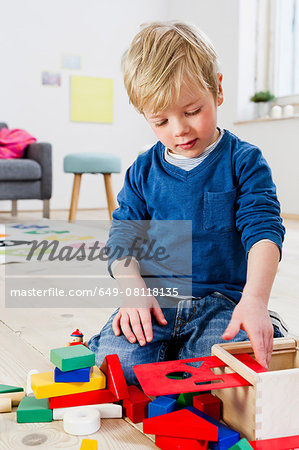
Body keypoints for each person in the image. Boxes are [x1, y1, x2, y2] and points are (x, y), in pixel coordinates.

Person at [88, 21, 286, 385]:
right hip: (157, 302)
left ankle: (263, 321)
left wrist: (254, 301)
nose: (179, 129)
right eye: (161, 120)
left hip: (221, 303)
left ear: (219, 91)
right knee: (119, 369)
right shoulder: (143, 171)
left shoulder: (244, 161)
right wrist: (133, 293)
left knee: (228, 373)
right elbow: (122, 240)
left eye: (192, 111)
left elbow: (264, 233)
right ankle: (169, 351)